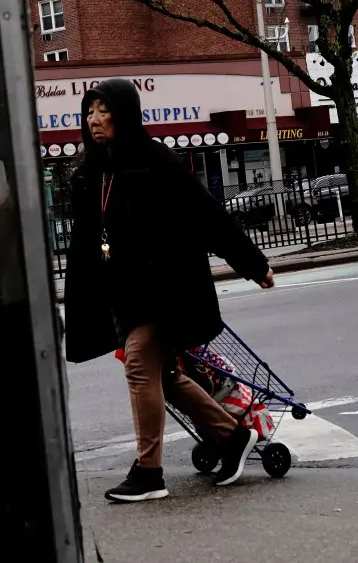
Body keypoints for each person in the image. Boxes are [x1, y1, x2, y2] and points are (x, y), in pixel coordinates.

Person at [63, 79, 275, 502]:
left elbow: (208, 215)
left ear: (124, 114)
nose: (94, 119)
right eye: (90, 112)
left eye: (104, 111)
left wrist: (253, 264)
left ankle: (148, 472)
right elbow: (89, 240)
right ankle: (231, 438)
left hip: (166, 289)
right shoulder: (93, 171)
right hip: (126, 294)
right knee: (165, 375)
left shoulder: (156, 162)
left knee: (140, 365)